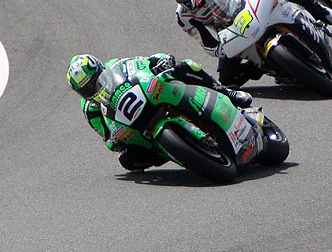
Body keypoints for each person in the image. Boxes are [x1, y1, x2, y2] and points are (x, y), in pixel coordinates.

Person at [67, 52, 254, 173]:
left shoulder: (115, 64)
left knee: (185, 66)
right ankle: (173, 151)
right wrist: (113, 141)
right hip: (134, 125)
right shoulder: (89, 108)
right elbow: (105, 135)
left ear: (100, 68)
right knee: (128, 161)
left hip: (149, 95)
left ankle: (227, 92)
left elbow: (143, 62)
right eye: (86, 89)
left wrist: (160, 60)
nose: (92, 88)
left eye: (93, 81)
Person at [169, 0, 332, 87]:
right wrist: (217, 49)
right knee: (227, 80)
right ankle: (261, 66)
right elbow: (204, 39)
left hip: (247, 10)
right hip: (231, 33)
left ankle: (323, 14)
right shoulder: (182, 16)